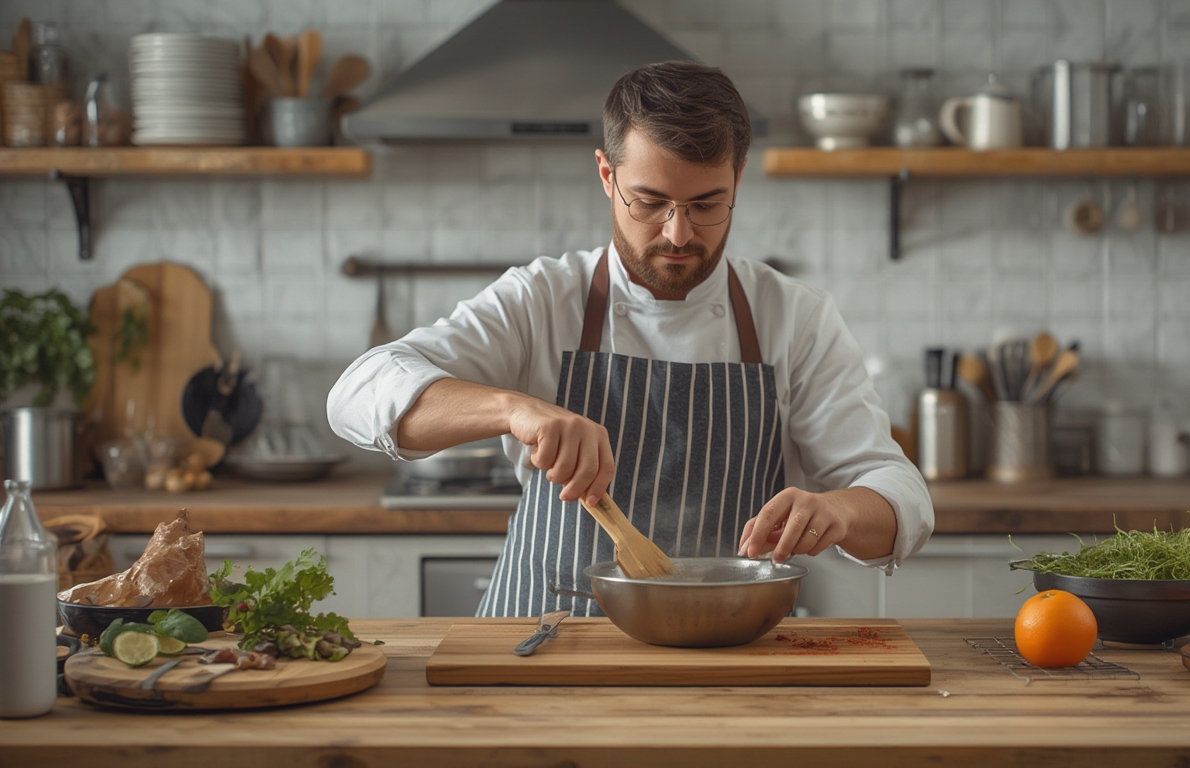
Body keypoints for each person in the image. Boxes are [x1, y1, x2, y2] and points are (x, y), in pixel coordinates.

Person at [328, 61, 933, 618]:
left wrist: (835, 510)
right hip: (548, 641)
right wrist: (514, 410)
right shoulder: (541, 299)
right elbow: (356, 394)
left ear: (739, 179)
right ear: (606, 174)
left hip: (721, 647)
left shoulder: (793, 317)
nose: (677, 233)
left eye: (706, 204)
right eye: (649, 201)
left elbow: (900, 495)